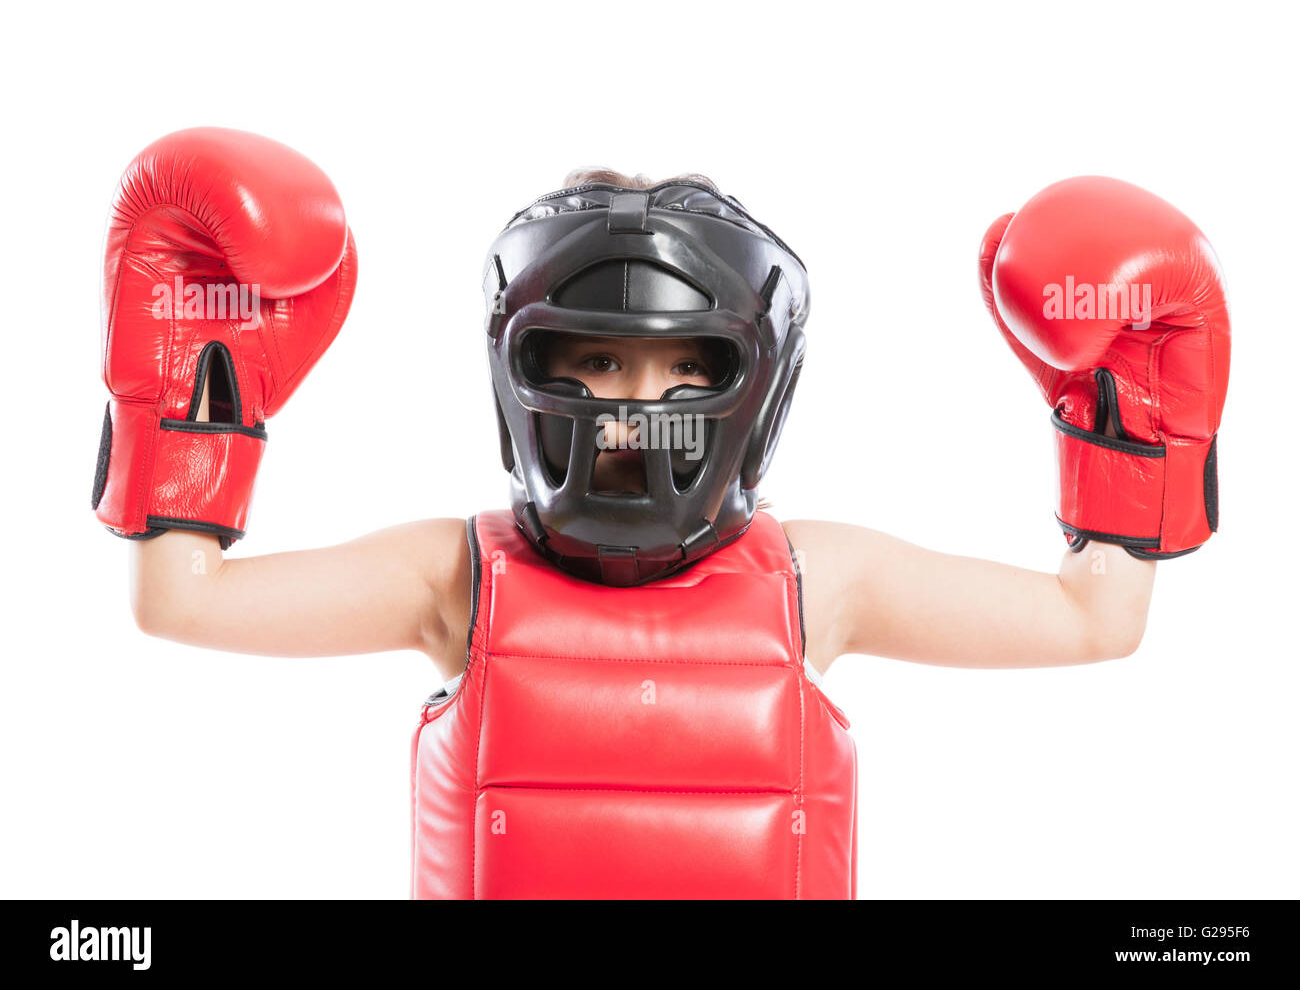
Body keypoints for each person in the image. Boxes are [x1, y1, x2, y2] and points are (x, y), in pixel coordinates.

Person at [96, 130, 1230, 899]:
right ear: (526, 367)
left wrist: (1121, 419)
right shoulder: (459, 577)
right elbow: (181, 602)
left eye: (679, 370)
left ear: (748, 383)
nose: (632, 410)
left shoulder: (813, 580)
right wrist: (198, 388)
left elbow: (1096, 623)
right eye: (594, 361)